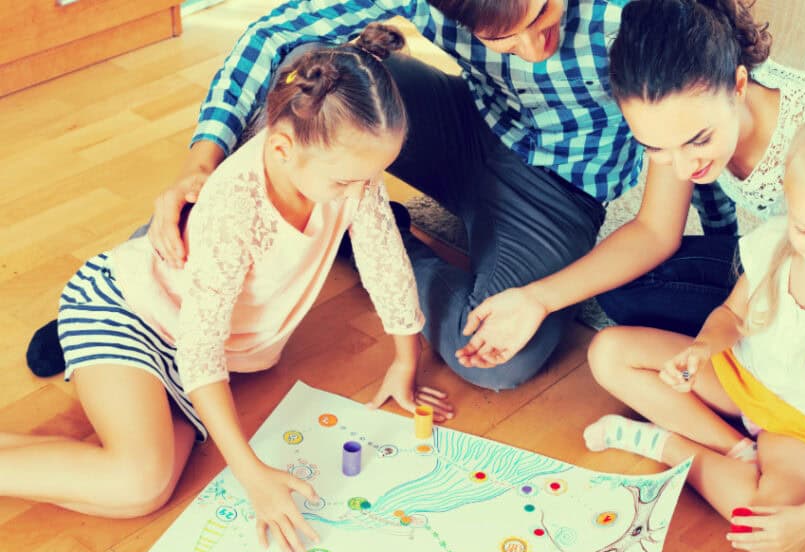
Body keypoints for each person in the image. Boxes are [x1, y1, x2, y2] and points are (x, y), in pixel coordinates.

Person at [456, 0, 805, 497]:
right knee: (622, 292)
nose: (683, 165)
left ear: (741, 86)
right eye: (656, 148)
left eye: (697, 141)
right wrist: (536, 299)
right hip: (788, 277)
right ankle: (754, 426)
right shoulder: (682, 118)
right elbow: (655, 232)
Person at [27, 0, 659, 390]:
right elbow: (274, 35)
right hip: (464, 120)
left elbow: (687, 157)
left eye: (545, 16)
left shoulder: (642, 14)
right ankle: (137, 289)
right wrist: (203, 160)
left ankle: (367, 237)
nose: (534, 50)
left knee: (497, 363)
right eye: (502, 39)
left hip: (558, 184)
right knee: (308, 75)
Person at [4, 27, 452, 552]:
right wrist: (253, 474)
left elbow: (384, 259)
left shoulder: (348, 175)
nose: (364, 191)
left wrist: (406, 358)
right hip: (131, 311)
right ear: (282, 147)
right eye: (347, 182)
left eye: (372, 176)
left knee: (144, 490)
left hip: (196, 341)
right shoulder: (234, 207)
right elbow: (199, 347)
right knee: (139, 482)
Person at [586, 105, 805, 552]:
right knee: (607, 352)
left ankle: (666, 446)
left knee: (757, 525)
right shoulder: (777, 241)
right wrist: (701, 349)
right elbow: (732, 315)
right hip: (739, 377)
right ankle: (735, 448)